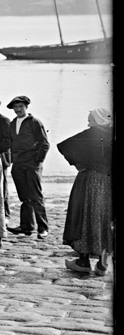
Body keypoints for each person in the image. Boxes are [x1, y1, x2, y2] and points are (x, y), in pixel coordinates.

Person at [58, 108, 113, 276]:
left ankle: (83, 261)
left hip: (90, 180)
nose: (89, 124)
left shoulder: (91, 134)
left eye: (91, 120)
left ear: (98, 120)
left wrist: (79, 163)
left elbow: (65, 146)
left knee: (84, 216)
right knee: (105, 220)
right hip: (109, 182)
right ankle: (102, 264)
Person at [6, 96, 50, 240]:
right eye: (15, 107)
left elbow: (44, 144)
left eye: (21, 107)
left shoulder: (34, 122)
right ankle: (26, 226)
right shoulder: (13, 123)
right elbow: (11, 143)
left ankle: (43, 228)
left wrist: (37, 161)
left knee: (36, 196)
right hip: (18, 164)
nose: (18, 110)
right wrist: (11, 160)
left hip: (32, 164)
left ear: (26, 107)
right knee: (24, 197)